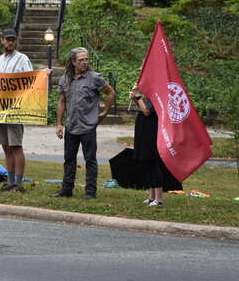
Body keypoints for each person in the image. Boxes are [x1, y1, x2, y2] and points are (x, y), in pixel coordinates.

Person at [53, 47, 116, 199]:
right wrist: (59, 124)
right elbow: (61, 101)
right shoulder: (65, 79)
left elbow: (111, 92)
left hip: (88, 126)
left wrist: (105, 111)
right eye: (81, 60)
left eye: (87, 59)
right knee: (69, 159)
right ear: (73, 62)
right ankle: (66, 189)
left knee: (90, 159)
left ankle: (90, 192)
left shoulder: (95, 78)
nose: (85, 62)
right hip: (71, 126)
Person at [0, 28, 33, 193]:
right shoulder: (0, 59)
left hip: (15, 108)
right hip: (1, 109)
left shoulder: (22, 59)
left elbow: (31, 80)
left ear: (16, 41)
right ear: (2, 40)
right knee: (6, 145)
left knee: (16, 145)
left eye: (13, 40)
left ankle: (19, 183)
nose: (10, 42)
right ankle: (10, 181)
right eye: (7, 39)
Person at [130, 86, 181, 206]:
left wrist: (138, 96)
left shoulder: (157, 91)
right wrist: (136, 99)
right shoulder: (148, 91)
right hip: (143, 125)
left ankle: (159, 198)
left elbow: (148, 111)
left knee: (152, 160)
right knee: (146, 161)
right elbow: (143, 109)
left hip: (151, 128)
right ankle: (152, 196)